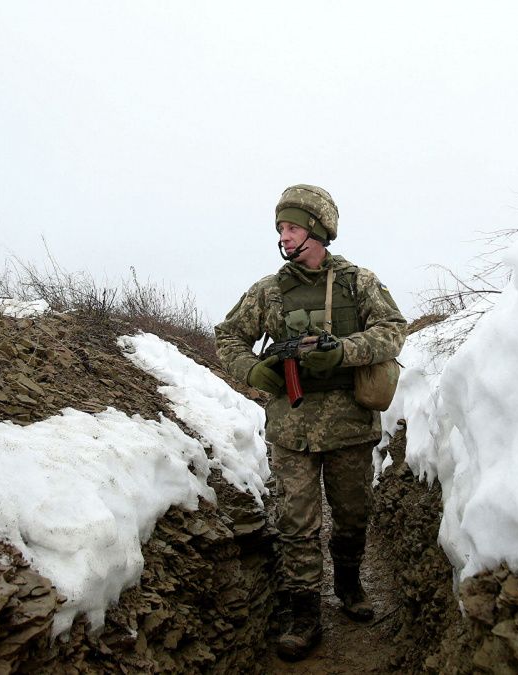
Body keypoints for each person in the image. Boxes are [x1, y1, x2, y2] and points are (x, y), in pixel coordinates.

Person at [214, 184, 407, 661]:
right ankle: (304, 615)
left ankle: (349, 587)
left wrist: (343, 352)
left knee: (353, 514)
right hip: (292, 429)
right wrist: (253, 370)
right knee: (297, 524)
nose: (285, 234)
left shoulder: (358, 283)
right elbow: (227, 337)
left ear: (318, 231)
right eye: (280, 227)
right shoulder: (267, 291)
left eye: (293, 226)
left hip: (350, 427)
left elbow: (392, 331)